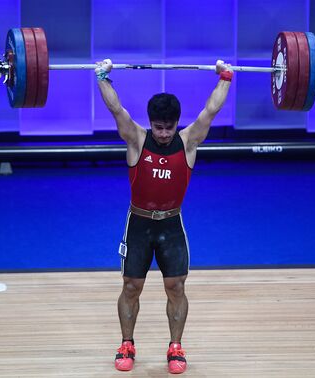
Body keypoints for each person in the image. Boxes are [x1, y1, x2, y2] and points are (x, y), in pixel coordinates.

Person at [95, 58, 233, 374]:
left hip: (171, 224)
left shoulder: (187, 142)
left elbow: (210, 111)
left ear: (175, 124)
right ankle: (127, 344)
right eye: (158, 126)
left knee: (176, 286)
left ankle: (175, 348)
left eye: (168, 127)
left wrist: (225, 77)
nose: (162, 133)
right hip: (139, 224)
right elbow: (117, 109)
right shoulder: (137, 139)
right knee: (131, 286)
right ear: (151, 122)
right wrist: (103, 76)